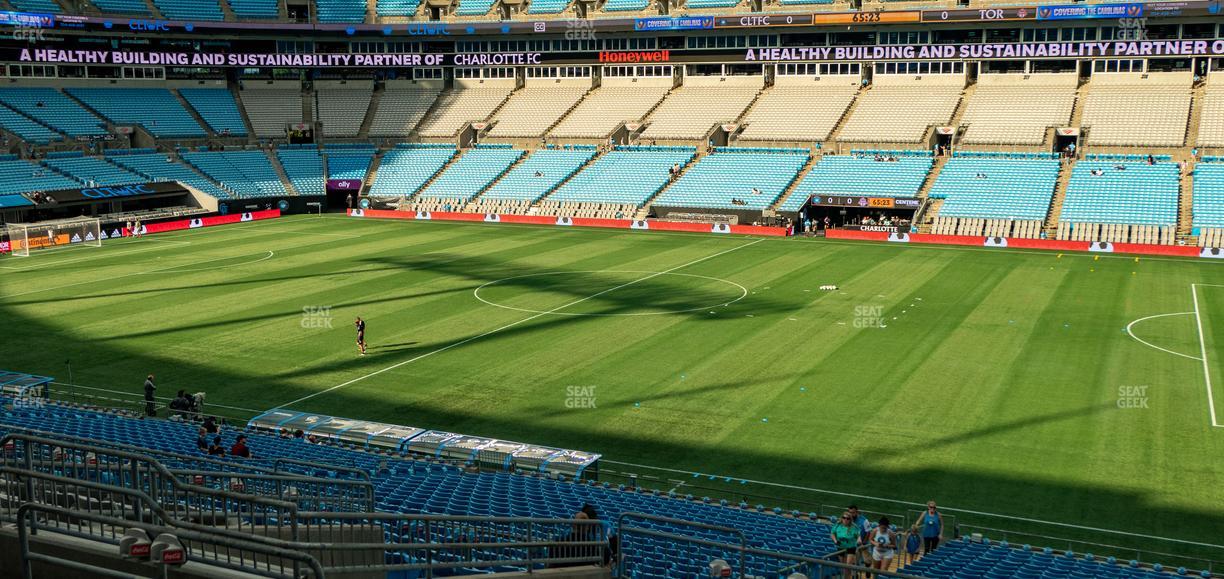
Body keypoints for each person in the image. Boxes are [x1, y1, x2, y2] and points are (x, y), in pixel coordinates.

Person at [830, 511, 861, 579]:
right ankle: (849, 575)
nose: (845, 520)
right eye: (844, 518)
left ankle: (848, 576)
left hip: (851, 547)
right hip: (840, 547)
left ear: (850, 520)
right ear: (842, 518)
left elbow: (859, 535)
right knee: (844, 566)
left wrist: (859, 540)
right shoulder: (837, 525)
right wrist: (835, 541)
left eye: (848, 518)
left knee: (848, 565)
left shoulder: (854, 527)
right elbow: (832, 533)